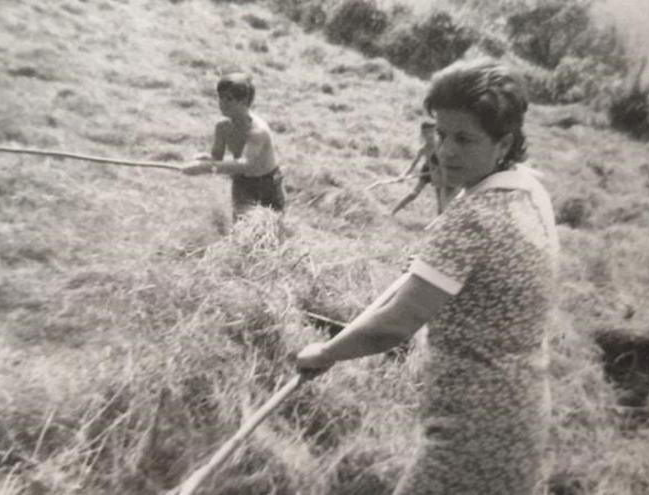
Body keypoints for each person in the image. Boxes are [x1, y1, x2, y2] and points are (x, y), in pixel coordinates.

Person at [296, 58, 560, 494]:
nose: (445, 151)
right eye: (441, 133)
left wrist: (326, 353)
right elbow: (443, 280)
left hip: (472, 430)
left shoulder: (473, 218)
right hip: (521, 411)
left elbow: (395, 326)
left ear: (504, 142)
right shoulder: (528, 189)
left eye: (464, 138)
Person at [181, 72, 285, 222]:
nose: (222, 103)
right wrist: (205, 160)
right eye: (220, 97)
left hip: (267, 184)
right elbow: (217, 157)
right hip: (242, 183)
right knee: (241, 227)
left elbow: (244, 164)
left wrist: (205, 167)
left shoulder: (257, 131)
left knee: (270, 229)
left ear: (244, 101)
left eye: (229, 99)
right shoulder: (223, 127)